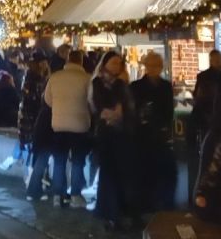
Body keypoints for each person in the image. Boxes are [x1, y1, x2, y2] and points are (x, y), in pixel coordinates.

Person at [90, 50, 137, 231]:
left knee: (119, 174)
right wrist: (115, 112)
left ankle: (117, 212)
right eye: (114, 62)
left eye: (119, 63)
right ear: (105, 64)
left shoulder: (121, 84)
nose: (117, 66)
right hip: (106, 136)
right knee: (108, 174)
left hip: (121, 135)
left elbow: (125, 108)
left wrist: (117, 113)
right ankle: (109, 212)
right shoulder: (97, 83)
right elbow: (101, 107)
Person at [45, 48, 92, 208]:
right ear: (81, 61)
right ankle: (75, 196)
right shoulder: (86, 78)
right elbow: (91, 101)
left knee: (59, 161)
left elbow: (48, 100)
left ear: (67, 61)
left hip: (58, 126)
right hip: (80, 125)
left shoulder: (55, 77)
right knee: (78, 162)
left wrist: (59, 109)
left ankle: (58, 195)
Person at [191, 49, 221, 199]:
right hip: (209, 121)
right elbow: (198, 98)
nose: (216, 62)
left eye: (218, 59)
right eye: (213, 59)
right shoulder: (204, 76)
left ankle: (207, 194)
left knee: (218, 160)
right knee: (211, 158)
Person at [130, 51, 176, 213]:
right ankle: (145, 204)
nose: (153, 69)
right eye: (150, 65)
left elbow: (169, 111)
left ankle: (159, 203)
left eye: (156, 66)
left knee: (160, 170)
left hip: (159, 135)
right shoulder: (135, 87)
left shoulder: (165, 86)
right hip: (141, 136)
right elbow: (132, 111)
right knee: (144, 171)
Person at [21, 55, 53, 201]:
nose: (46, 65)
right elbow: (33, 102)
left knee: (39, 154)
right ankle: (35, 187)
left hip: (34, 122)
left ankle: (37, 185)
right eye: (44, 63)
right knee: (41, 154)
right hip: (38, 122)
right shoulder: (36, 80)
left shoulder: (31, 79)